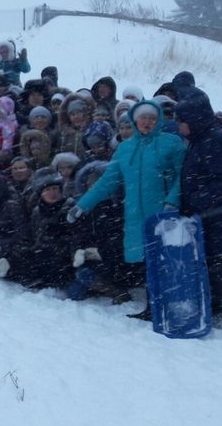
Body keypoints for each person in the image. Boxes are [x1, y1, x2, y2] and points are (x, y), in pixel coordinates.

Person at [69, 98, 186, 320]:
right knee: (149, 260)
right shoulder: (125, 148)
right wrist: (82, 205)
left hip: (164, 213)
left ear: (159, 119)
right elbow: (107, 182)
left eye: (152, 118)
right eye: (143, 118)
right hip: (135, 215)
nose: (147, 122)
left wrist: (173, 201)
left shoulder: (171, 143)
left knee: (166, 260)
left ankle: (169, 304)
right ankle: (154, 306)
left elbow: (183, 176)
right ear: (134, 120)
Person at [175, 90, 222, 323]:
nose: (179, 127)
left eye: (181, 122)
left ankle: (220, 311)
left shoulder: (213, 141)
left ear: (193, 120)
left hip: (217, 214)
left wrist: (195, 200)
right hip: (210, 213)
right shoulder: (201, 139)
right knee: (212, 260)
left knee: (211, 262)